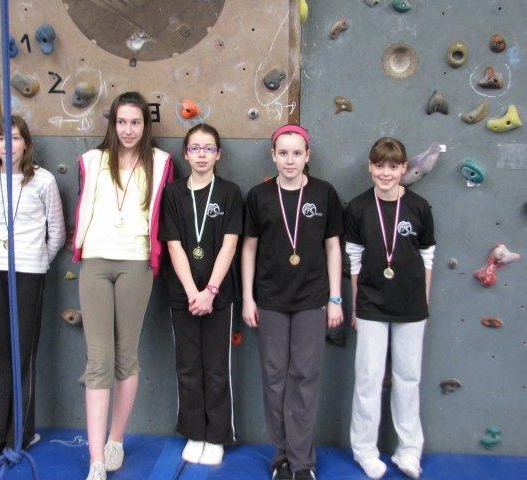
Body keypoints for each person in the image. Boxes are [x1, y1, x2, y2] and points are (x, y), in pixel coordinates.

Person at [71, 91, 173, 480]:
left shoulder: (161, 162)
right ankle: (96, 459)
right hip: (96, 260)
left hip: (136, 263)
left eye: (135, 122)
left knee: (125, 356)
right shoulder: (92, 160)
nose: (128, 130)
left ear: (145, 125)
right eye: (121, 122)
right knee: (98, 359)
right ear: (112, 124)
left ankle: (116, 440)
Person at [241, 124, 344, 480]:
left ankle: (302, 463)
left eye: (297, 153)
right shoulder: (259, 196)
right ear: (273, 155)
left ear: (307, 156)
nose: (290, 160)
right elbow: (248, 249)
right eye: (283, 153)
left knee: (304, 377)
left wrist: (335, 297)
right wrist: (248, 298)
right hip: (270, 299)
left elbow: (333, 247)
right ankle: (281, 456)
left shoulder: (324, 193)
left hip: (311, 299)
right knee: (274, 378)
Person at [0, 114, 65, 464]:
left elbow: (57, 232)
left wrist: (36, 259)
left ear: (26, 143)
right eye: (1, 138)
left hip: (30, 271)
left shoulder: (43, 180)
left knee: (23, 352)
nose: (7, 145)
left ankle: (21, 432)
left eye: (14, 138)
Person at [344, 137, 435, 480]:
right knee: (368, 380)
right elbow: (354, 262)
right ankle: (365, 451)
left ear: (404, 168)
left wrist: (424, 302)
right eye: (379, 166)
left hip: (411, 306)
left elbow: (427, 258)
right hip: (370, 304)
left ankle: (409, 451)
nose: (386, 173)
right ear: (370, 167)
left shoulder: (419, 207)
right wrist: (356, 307)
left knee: (408, 379)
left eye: (393, 167)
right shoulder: (357, 208)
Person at [160, 123, 242, 465]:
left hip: (218, 295)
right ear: (186, 154)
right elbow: (174, 245)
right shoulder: (173, 193)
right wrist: (193, 292)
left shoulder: (230, 192)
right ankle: (194, 432)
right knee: (188, 366)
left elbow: (230, 245)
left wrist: (209, 290)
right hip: (183, 295)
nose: (202, 155)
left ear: (218, 154)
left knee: (217, 367)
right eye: (195, 148)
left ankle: (217, 435)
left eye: (209, 148)